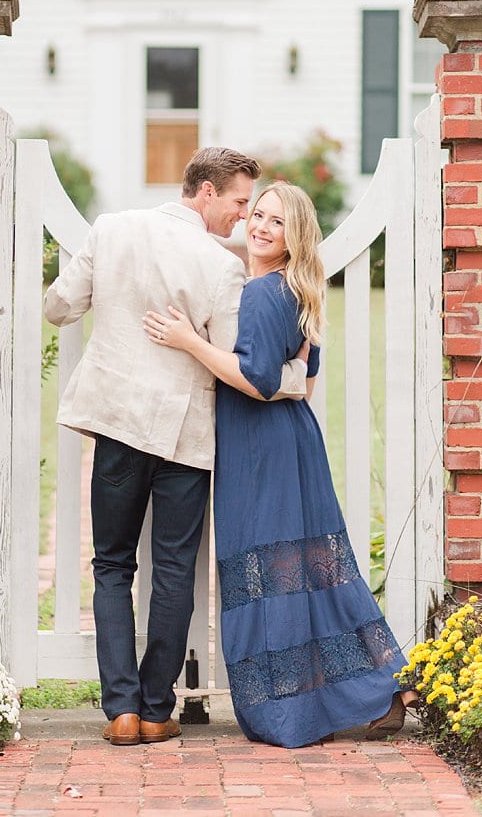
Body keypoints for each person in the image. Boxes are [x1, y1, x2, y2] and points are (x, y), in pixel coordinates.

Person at [44, 147, 308, 747]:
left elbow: (59, 307)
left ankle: (120, 711)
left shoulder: (112, 230)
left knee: (111, 564)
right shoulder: (221, 267)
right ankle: (158, 709)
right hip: (184, 437)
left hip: (117, 427)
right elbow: (239, 362)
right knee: (172, 570)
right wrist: (294, 379)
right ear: (207, 193)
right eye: (241, 203)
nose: (244, 219)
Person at [144, 181, 415, 747]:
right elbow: (303, 381)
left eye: (277, 222)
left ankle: (294, 710)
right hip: (289, 441)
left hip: (260, 451)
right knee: (315, 570)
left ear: (295, 237)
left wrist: (188, 341)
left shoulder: (265, 292)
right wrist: (276, 385)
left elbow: (261, 379)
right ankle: (389, 686)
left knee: (270, 573)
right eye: (258, 214)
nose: (261, 227)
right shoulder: (296, 288)